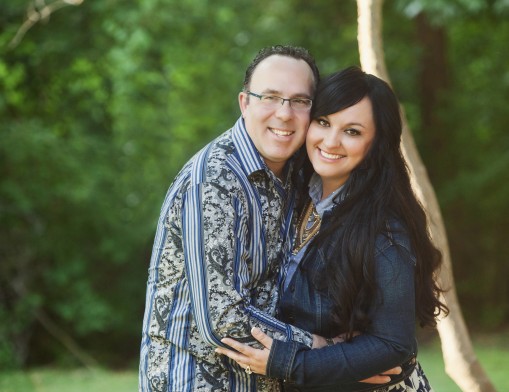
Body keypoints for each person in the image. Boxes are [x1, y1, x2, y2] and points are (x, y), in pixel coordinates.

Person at [215, 66, 449, 391]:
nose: (331, 140)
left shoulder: (383, 229)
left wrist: (291, 363)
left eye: (352, 131)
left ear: (376, 144)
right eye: (323, 122)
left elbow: (393, 344)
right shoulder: (295, 195)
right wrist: (337, 358)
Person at [139, 44, 323, 392]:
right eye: (270, 97)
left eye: (300, 101)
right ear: (245, 103)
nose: (284, 113)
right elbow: (220, 321)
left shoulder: (301, 175)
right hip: (194, 380)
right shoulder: (214, 179)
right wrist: (322, 348)